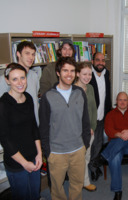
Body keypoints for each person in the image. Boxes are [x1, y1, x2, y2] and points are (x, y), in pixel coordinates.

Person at [39, 57, 91, 200]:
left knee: (77, 185)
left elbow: (85, 121)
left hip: (78, 150)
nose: (69, 74)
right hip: (57, 153)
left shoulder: (80, 93)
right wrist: (48, 152)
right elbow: (43, 128)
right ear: (58, 72)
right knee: (57, 189)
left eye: (73, 71)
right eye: (65, 70)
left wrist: (85, 145)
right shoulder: (48, 97)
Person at [0, 63, 42, 200]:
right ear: (7, 80)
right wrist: (24, 163)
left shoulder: (28, 98)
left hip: (33, 158)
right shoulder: (3, 104)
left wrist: (40, 154)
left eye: (22, 78)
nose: (20, 83)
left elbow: (33, 128)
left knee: (35, 194)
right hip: (17, 163)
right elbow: (5, 139)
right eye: (14, 79)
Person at [96, 92, 128, 200]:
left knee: (125, 138)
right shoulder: (110, 114)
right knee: (115, 158)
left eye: (125, 100)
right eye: (120, 100)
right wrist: (119, 134)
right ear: (116, 101)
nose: (122, 102)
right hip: (116, 145)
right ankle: (117, 191)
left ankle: (103, 156)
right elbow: (108, 130)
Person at [0, 41, 40, 125]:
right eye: (27, 53)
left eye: (33, 54)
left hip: (34, 126)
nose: (31, 57)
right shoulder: (6, 78)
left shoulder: (34, 76)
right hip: (15, 129)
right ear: (18, 54)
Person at [89, 52, 112, 181]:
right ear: (92, 61)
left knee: (98, 143)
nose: (100, 63)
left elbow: (106, 95)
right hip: (91, 118)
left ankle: (93, 165)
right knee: (90, 145)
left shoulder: (106, 73)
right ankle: (92, 167)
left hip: (102, 115)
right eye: (97, 60)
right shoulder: (88, 75)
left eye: (103, 60)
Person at [75, 62, 97, 192]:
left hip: (90, 131)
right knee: (77, 160)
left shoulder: (90, 88)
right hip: (77, 133)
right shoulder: (72, 89)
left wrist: (93, 126)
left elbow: (93, 109)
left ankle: (84, 181)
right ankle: (78, 183)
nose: (87, 77)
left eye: (90, 74)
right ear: (77, 74)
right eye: (84, 74)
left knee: (86, 158)